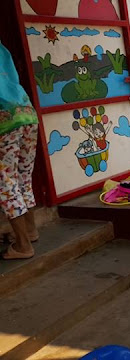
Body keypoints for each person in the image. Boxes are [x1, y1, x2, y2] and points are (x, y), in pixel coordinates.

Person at [0, 41, 40, 260]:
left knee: (5, 183)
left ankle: (23, 245)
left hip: (3, 120)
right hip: (25, 112)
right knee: (23, 176)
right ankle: (31, 230)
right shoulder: (2, 47)